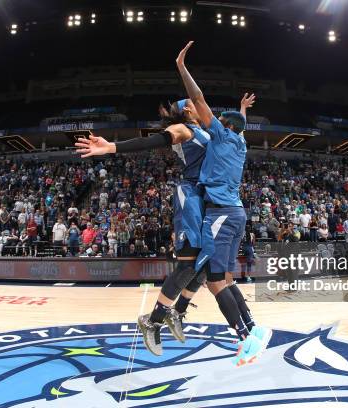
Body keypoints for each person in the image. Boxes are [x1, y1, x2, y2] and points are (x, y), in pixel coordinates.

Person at [75, 65, 257, 357]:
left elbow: (236, 129)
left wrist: (241, 109)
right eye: (192, 104)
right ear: (187, 111)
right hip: (191, 198)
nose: (199, 105)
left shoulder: (210, 131)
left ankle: (178, 311)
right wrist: (111, 148)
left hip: (207, 198)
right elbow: (153, 141)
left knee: (203, 264)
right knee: (188, 264)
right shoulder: (182, 129)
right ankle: (153, 321)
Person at [176, 41, 271, 365]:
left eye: (219, 120)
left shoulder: (219, 133)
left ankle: (245, 340)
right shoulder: (241, 143)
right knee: (227, 278)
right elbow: (239, 123)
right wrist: (243, 108)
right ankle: (253, 330)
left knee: (215, 282)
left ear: (224, 127)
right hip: (237, 215)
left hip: (219, 215)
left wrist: (181, 66)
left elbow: (198, 99)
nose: (211, 120)